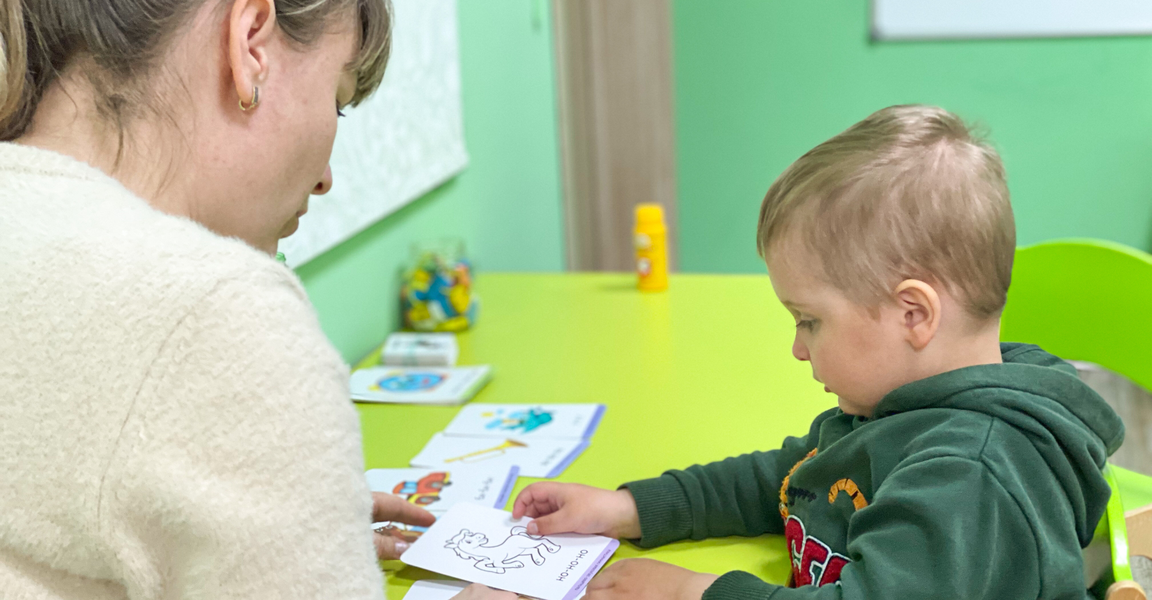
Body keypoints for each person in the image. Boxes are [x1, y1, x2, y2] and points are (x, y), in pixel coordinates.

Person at [0, 0, 511, 598]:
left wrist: (291, 545)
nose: (325, 179)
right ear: (249, 43)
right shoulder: (220, 313)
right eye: (338, 101)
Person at [512, 105, 1126, 599]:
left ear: (913, 314)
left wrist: (694, 593)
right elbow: (792, 478)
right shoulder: (900, 406)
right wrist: (629, 508)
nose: (798, 350)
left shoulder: (969, 477)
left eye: (809, 321)